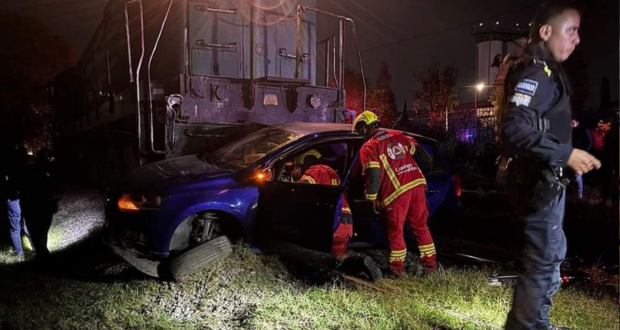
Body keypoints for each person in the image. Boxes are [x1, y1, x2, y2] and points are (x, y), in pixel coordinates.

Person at [496, 2, 601, 329]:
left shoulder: (543, 71)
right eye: (571, 30)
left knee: (551, 256)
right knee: (543, 262)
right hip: (537, 180)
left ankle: (535, 323)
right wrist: (563, 154)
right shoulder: (534, 72)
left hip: (547, 180)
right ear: (545, 31)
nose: (577, 39)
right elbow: (512, 127)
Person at [353, 110, 436, 277]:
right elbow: (426, 159)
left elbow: (374, 176)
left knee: (395, 230)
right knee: (421, 227)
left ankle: (396, 269)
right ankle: (430, 267)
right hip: (417, 185)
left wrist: (370, 199)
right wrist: (414, 174)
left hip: (396, 192)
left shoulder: (369, 146)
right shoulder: (399, 135)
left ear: (363, 129)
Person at [291, 149, 382, 282]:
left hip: (331, 222)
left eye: (295, 168)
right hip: (346, 223)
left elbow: (302, 188)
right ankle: (359, 263)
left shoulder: (315, 170)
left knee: (317, 259)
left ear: (302, 164)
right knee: (339, 259)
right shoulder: (333, 174)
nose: (294, 172)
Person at [2, 146, 32, 259]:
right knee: (26, 224)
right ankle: (36, 249)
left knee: (15, 227)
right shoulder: (24, 166)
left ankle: (19, 254)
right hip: (22, 197)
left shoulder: (7, 166)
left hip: (13, 198)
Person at [571, 119, 592, 199]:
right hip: (570, 153)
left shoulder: (583, 130)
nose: (572, 123)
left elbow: (589, 142)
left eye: (573, 122)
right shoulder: (570, 129)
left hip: (579, 154)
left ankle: (579, 195)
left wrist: (584, 153)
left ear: (577, 122)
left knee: (577, 175)